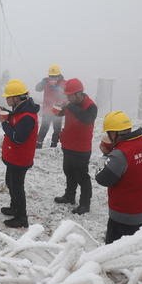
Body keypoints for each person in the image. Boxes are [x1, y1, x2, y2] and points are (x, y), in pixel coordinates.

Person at [96, 111, 142, 244]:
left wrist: (106, 155)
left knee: (114, 253)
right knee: (139, 250)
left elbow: (102, 178)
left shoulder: (119, 155)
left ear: (114, 133)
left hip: (125, 216)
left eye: (108, 133)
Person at [0, 79, 40, 228]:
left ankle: (21, 217)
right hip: (14, 157)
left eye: (8, 97)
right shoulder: (21, 109)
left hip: (20, 159)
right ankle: (14, 207)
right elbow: (15, 119)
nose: (6, 99)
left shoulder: (27, 116)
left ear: (16, 97)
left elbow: (18, 138)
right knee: (10, 182)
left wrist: (4, 123)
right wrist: (7, 114)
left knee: (17, 186)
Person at [52, 78, 97, 215]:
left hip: (81, 148)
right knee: (69, 172)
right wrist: (58, 109)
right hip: (68, 144)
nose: (68, 98)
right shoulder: (71, 103)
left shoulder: (91, 106)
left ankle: (85, 203)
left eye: (70, 95)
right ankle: (69, 196)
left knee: (82, 176)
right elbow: (61, 113)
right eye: (67, 96)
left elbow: (87, 118)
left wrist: (69, 106)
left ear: (79, 93)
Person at [34, 64, 66, 149]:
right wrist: (41, 83)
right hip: (47, 109)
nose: (53, 78)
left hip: (58, 109)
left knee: (57, 129)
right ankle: (38, 144)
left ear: (59, 76)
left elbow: (67, 95)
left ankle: (53, 145)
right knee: (44, 127)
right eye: (51, 76)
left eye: (55, 76)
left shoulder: (64, 83)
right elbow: (37, 89)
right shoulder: (46, 81)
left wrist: (59, 89)